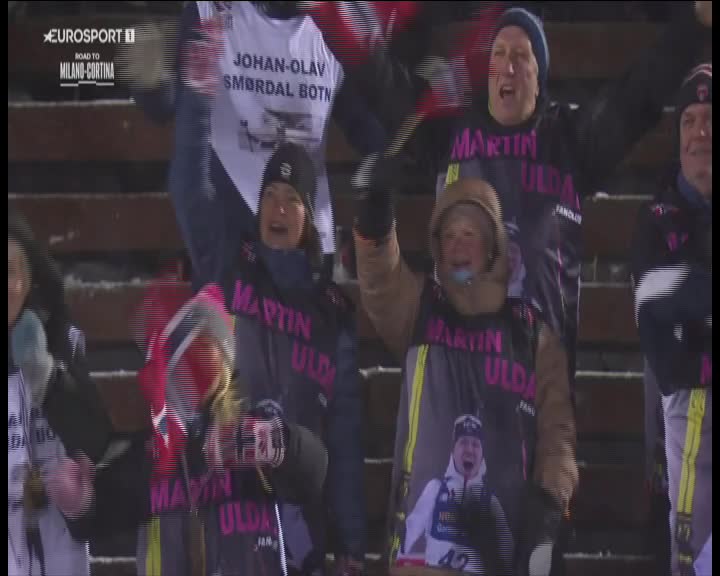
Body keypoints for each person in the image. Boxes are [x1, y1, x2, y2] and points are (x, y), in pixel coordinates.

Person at [351, 162, 578, 576]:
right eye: (450, 235)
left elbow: (557, 434)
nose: (458, 244)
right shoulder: (418, 310)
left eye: (470, 234)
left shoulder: (532, 334)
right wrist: (374, 213)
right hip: (420, 560)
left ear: (494, 248)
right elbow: (380, 279)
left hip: (502, 556)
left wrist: (548, 507)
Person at [120, 0, 386, 289]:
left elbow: (366, 128)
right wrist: (152, 82)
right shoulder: (209, 9)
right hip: (226, 238)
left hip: (302, 244)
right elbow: (168, 106)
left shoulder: (340, 24)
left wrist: (380, 176)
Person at [87, 282, 330, 576]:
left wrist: (277, 446)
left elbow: (310, 472)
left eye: (202, 347)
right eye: (179, 356)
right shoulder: (152, 451)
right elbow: (97, 515)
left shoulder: (256, 421)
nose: (192, 366)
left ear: (225, 357)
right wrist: (79, 504)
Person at [631, 63, 712, 576]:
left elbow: (683, 299)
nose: (700, 131)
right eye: (689, 120)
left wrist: (694, 293)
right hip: (683, 418)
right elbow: (654, 306)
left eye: (711, 118)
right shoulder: (653, 219)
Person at [8, 209, 115, 576]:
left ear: (28, 279)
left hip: (57, 544)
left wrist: (47, 379)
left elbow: (96, 439)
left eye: (9, 272)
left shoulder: (58, 341)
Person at [401, 415, 513, 573]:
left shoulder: (490, 501)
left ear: (482, 454)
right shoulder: (435, 489)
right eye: (463, 442)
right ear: (453, 450)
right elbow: (408, 533)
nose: (469, 450)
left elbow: (508, 552)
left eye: (475, 444)